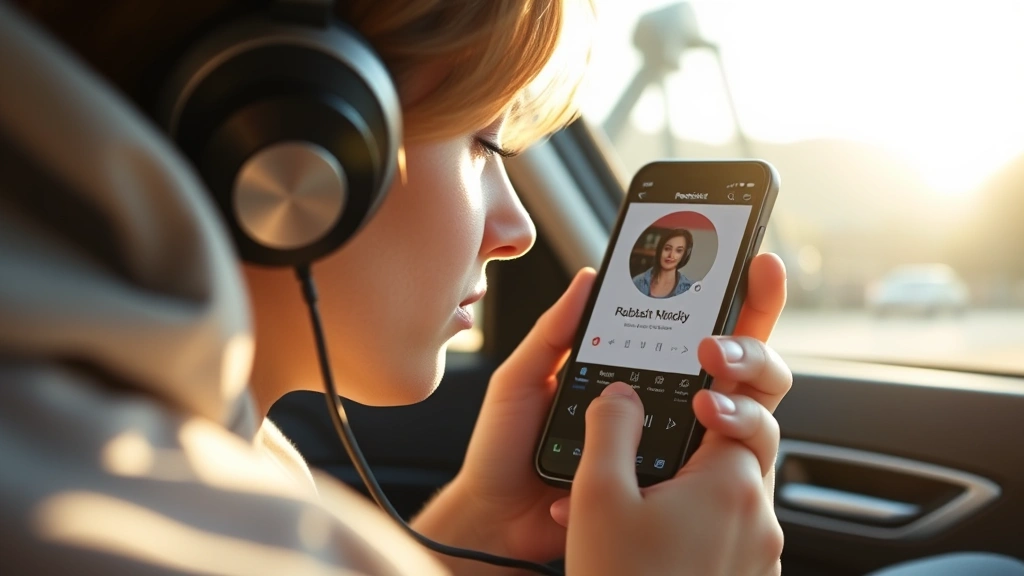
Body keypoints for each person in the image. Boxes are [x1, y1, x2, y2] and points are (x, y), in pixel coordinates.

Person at [0, 1, 793, 575]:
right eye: (484, 144)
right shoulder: (156, 527)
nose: (516, 228)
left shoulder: (206, 456)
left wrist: (483, 529)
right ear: (290, 142)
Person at [633, 228, 695, 298]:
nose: (671, 255)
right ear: (660, 249)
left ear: (684, 255)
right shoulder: (637, 282)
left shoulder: (689, 289)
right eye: (667, 249)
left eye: (678, 251)